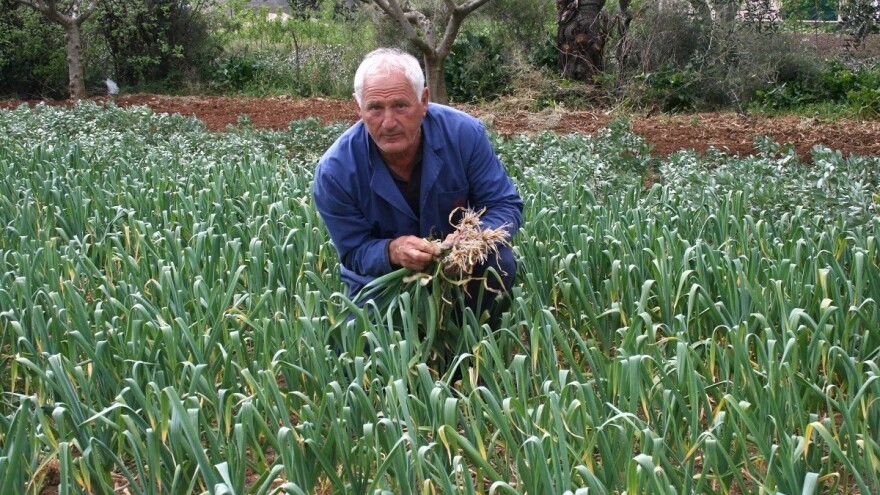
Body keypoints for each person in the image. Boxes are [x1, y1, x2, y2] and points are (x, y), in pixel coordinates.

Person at [312, 47, 523, 315]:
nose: (388, 122)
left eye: (400, 105)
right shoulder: (335, 171)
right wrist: (392, 251)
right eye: (375, 108)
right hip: (382, 279)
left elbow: (505, 205)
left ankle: (478, 348)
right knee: (368, 343)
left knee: (497, 262)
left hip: (460, 263)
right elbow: (354, 251)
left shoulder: (463, 134)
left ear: (423, 101)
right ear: (359, 107)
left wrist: (471, 241)